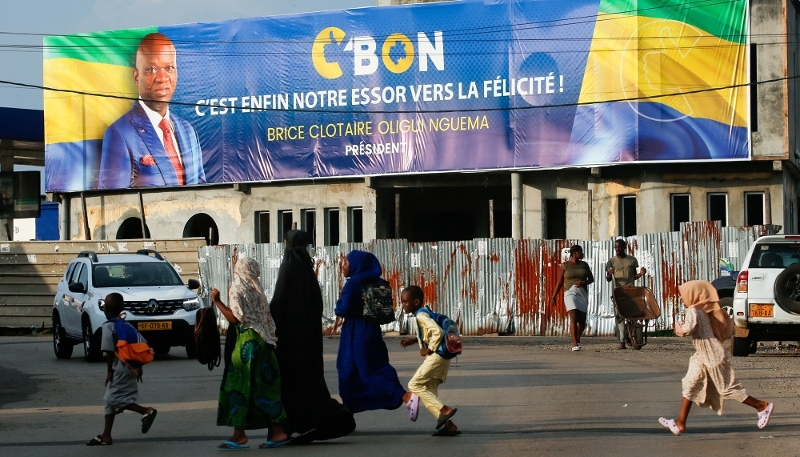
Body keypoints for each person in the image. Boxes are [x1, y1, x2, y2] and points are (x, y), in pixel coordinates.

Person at [269, 229, 356, 443]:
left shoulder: (289, 268)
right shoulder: (306, 270)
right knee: (308, 378)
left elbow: (278, 303)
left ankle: (292, 425)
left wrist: (268, 326)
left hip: (289, 341)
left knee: (291, 382)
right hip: (308, 338)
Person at [658, 280, 774, 435]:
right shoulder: (701, 310)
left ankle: (761, 406)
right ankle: (680, 423)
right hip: (702, 355)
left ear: (692, 295)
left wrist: (678, 328)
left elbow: (687, 329)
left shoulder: (693, 310)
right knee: (690, 384)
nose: (682, 298)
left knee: (726, 389)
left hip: (712, 355)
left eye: (684, 294)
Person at [98, 32, 205, 189]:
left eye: (169, 68)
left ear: (176, 72)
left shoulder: (188, 131)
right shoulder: (120, 133)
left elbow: (202, 188)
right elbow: (114, 199)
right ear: (136, 77)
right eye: (152, 69)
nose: (162, 78)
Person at [210, 256, 289, 450]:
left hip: (247, 342)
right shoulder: (257, 289)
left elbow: (235, 319)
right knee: (265, 387)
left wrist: (217, 301)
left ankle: (239, 435)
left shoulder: (238, 288)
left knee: (236, 386)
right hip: (264, 341)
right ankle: (278, 431)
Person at [335, 250, 420, 419]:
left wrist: (339, 302)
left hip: (355, 332)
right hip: (372, 329)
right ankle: (349, 410)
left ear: (356, 265)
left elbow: (342, 309)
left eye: (346, 263)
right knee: (368, 367)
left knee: (362, 370)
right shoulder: (377, 281)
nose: (343, 266)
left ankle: (406, 397)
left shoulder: (354, 283)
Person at [86, 292, 157, 446]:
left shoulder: (108, 326)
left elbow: (108, 350)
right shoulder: (126, 325)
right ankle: (106, 435)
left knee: (113, 398)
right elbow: (140, 345)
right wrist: (138, 367)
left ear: (105, 309)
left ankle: (146, 411)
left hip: (119, 367)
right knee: (109, 401)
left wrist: (109, 371)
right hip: (131, 367)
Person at [400, 285, 460, 437]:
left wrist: (429, 349)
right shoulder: (424, 312)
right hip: (443, 358)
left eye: (405, 302)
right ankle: (449, 426)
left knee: (414, 384)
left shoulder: (421, 316)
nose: (403, 305)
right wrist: (414, 340)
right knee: (429, 393)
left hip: (436, 356)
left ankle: (445, 410)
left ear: (416, 301)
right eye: (402, 302)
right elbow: (428, 332)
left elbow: (437, 332)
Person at [550, 245, 594, 351]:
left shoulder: (584, 265)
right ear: (574, 253)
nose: (582, 254)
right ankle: (575, 344)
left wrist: (583, 282)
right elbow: (560, 282)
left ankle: (577, 338)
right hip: (569, 292)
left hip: (582, 293)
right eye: (580, 252)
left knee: (582, 321)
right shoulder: (565, 265)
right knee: (573, 316)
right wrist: (553, 296)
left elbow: (591, 279)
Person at [605, 238, 647, 349]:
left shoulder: (632, 260)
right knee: (620, 317)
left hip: (631, 291)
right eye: (616, 247)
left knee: (631, 315)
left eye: (619, 247)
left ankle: (631, 335)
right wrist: (609, 274)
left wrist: (641, 274)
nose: (617, 249)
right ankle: (622, 341)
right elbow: (608, 279)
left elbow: (634, 276)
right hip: (618, 292)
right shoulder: (612, 261)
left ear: (624, 247)